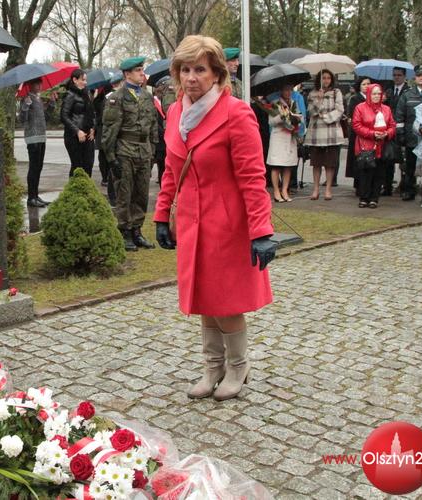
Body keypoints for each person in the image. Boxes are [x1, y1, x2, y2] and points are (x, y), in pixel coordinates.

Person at [153, 35, 276, 401]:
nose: (191, 78)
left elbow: (253, 177)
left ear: (218, 74)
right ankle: (213, 368)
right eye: (185, 70)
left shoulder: (236, 113)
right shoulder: (175, 113)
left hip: (227, 224)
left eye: (200, 70)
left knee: (226, 302)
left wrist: (261, 230)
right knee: (204, 300)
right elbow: (171, 171)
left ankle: (239, 366)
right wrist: (161, 214)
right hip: (191, 222)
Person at [102, 56, 158, 251]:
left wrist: (153, 150)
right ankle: (124, 231)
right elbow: (109, 130)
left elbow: (153, 125)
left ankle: (137, 230)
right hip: (125, 150)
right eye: (138, 70)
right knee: (124, 193)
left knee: (141, 193)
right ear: (127, 74)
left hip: (144, 151)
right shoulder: (117, 97)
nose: (142, 73)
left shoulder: (147, 96)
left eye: (142, 69)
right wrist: (111, 159)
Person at [352, 83, 396, 208]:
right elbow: (356, 125)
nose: (376, 96)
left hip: (382, 145)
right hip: (365, 145)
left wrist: (386, 134)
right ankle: (364, 197)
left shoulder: (386, 109)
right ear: (369, 94)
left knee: (379, 172)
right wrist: (372, 134)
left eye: (379, 94)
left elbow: (392, 125)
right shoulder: (360, 107)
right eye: (374, 93)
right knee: (365, 172)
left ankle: (374, 198)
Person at [306, 69, 345, 200]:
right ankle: (316, 189)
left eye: (328, 78)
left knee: (329, 163)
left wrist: (327, 117)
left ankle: (328, 189)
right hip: (316, 132)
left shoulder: (336, 92)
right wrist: (318, 99)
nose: (326, 80)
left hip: (331, 131)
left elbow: (340, 110)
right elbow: (311, 112)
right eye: (323, 78)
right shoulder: (312, 93)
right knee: (316, 163)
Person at [396, 64, 422, 201]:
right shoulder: (407, 95)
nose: (421, 78)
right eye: (418, 76)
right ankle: (409, 190)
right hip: (411, 137)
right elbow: (400, 116)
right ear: (415, 78)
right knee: (410, 167)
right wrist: (400, 134)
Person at [20, 78, 56, 208]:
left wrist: (52, 102)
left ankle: (35, 195)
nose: (39, 86)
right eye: (36, 83)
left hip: (41, 136)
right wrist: (26, 106)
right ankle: (31, 197)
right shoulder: (26, 99)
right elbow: (22, 119)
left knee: (39, 167)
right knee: (34, 167)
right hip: (32, 137)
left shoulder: (38, 99)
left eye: (40, 83)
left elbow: (46, 117)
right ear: (30, 85)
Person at [265, 85, 303, 202]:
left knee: (288, 166)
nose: (288, 92)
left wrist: (297, 120)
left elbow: (300, 117)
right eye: (286, 90)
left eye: (290, 90)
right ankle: (276, 190)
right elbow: (271, 122)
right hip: (278, 137)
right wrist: (282, 116)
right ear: (281, 91)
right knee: (276, 165)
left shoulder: (293, 103)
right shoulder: (275, 103)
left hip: (290, 137)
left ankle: (285, 190)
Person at [61, 69, 96, 178]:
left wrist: (93, 128)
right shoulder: (69, 95)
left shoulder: (87, 94)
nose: (85, 82)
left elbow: (92, 113)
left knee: (88, 164)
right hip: (73, 136)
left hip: (88, 134)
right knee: (77, 166)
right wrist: (77, 131)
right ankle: (74, 187)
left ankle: (86, 187)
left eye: (86, 80)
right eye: (83, 80)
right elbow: (64, 116)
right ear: (75, 80)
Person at [382, 67, 409, 195]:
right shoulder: (388, 91)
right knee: (388, 158)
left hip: (403, 128)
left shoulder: (408, 91)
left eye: (399, 75)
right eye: (394, 75)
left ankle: (404, 187)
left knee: (404, 160)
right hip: (389, 128)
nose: (396, 77)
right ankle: (387, 186)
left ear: (404, 76)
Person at [344, 77, 371, 190]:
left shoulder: (373, 97)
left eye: (368, 84)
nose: (366, 86)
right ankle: (358, 184)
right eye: (364, 84)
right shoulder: (355, 99)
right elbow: (351, 116)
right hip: (357, 133)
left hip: (370, 133)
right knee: (358, 159)